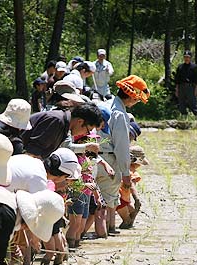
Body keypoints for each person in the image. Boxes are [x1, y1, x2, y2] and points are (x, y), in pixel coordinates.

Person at [98, 75, 150, 234]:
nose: (136, 102)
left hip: (94, 157)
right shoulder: (120, 114)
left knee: (93, 200)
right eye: (137, 100)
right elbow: (121, 147)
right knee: (109, 202)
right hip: (109, 159)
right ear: (131, 97)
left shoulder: (105, 104)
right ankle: (107, 233)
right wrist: (126, 173)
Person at [21, 103, 103, 158]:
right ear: (80, 121)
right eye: (88, 130)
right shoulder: (56, 121)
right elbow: (33, 152)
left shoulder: (64, 124)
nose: (86, 134)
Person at [118, 145, 148, 229]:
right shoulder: (133, 173)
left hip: (122, 198)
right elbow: (132, 186)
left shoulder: (121, 166)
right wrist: (136, 199)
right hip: (121, 200)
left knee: (133, 211)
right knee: (127, 221)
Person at [175, 50, 197, 118]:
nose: (186, 58)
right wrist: (177, 89)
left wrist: (196, 89)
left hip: (190, 87)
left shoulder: (194, 67)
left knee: (192, 102)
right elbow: (177, 79)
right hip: (181, 86)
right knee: (181, 102)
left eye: (188, 57)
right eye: (185, 57)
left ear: (190, 58)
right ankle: (184, 117)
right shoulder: (180, 67)